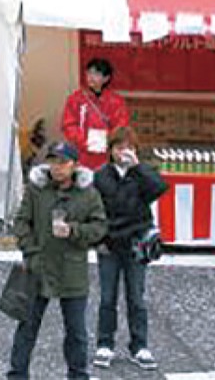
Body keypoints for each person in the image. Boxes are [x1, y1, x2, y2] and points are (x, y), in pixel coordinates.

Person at [8, 142, 108, 380]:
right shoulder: (36, 190)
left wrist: (74, 230)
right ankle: (17, 375)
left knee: (76, 332)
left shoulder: (88, 193)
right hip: (38, 266)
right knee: (27, 327)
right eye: (53, 161)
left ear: (75, 166)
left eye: (63, 163)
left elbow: (99, 227)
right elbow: (21, 222)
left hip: (72, 269)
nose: (57, 167)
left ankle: (78, 375)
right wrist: (31, 251)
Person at [92, 127, 168, 371]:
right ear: (110, 150)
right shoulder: (101, 176)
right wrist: (98, 241)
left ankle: (140, 345)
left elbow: (159, 189)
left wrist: (137, 167)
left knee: (136, 297)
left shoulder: (142, 174)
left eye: (130, 148)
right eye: (119, 147)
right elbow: (94, 211)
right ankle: (105, 344)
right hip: (109, 243)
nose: (124, 152)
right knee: (107, 297)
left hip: (136, 243)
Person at [61, 58, 130, 170]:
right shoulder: (76, 99)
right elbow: (68, 125)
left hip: (106, 154)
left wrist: (107, 141)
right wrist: (85, 140)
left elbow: (121, 126)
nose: (91, 77)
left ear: (106, 78)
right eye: (89, 73)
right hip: (81, 154)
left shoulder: (116, 101)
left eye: (97, 74)